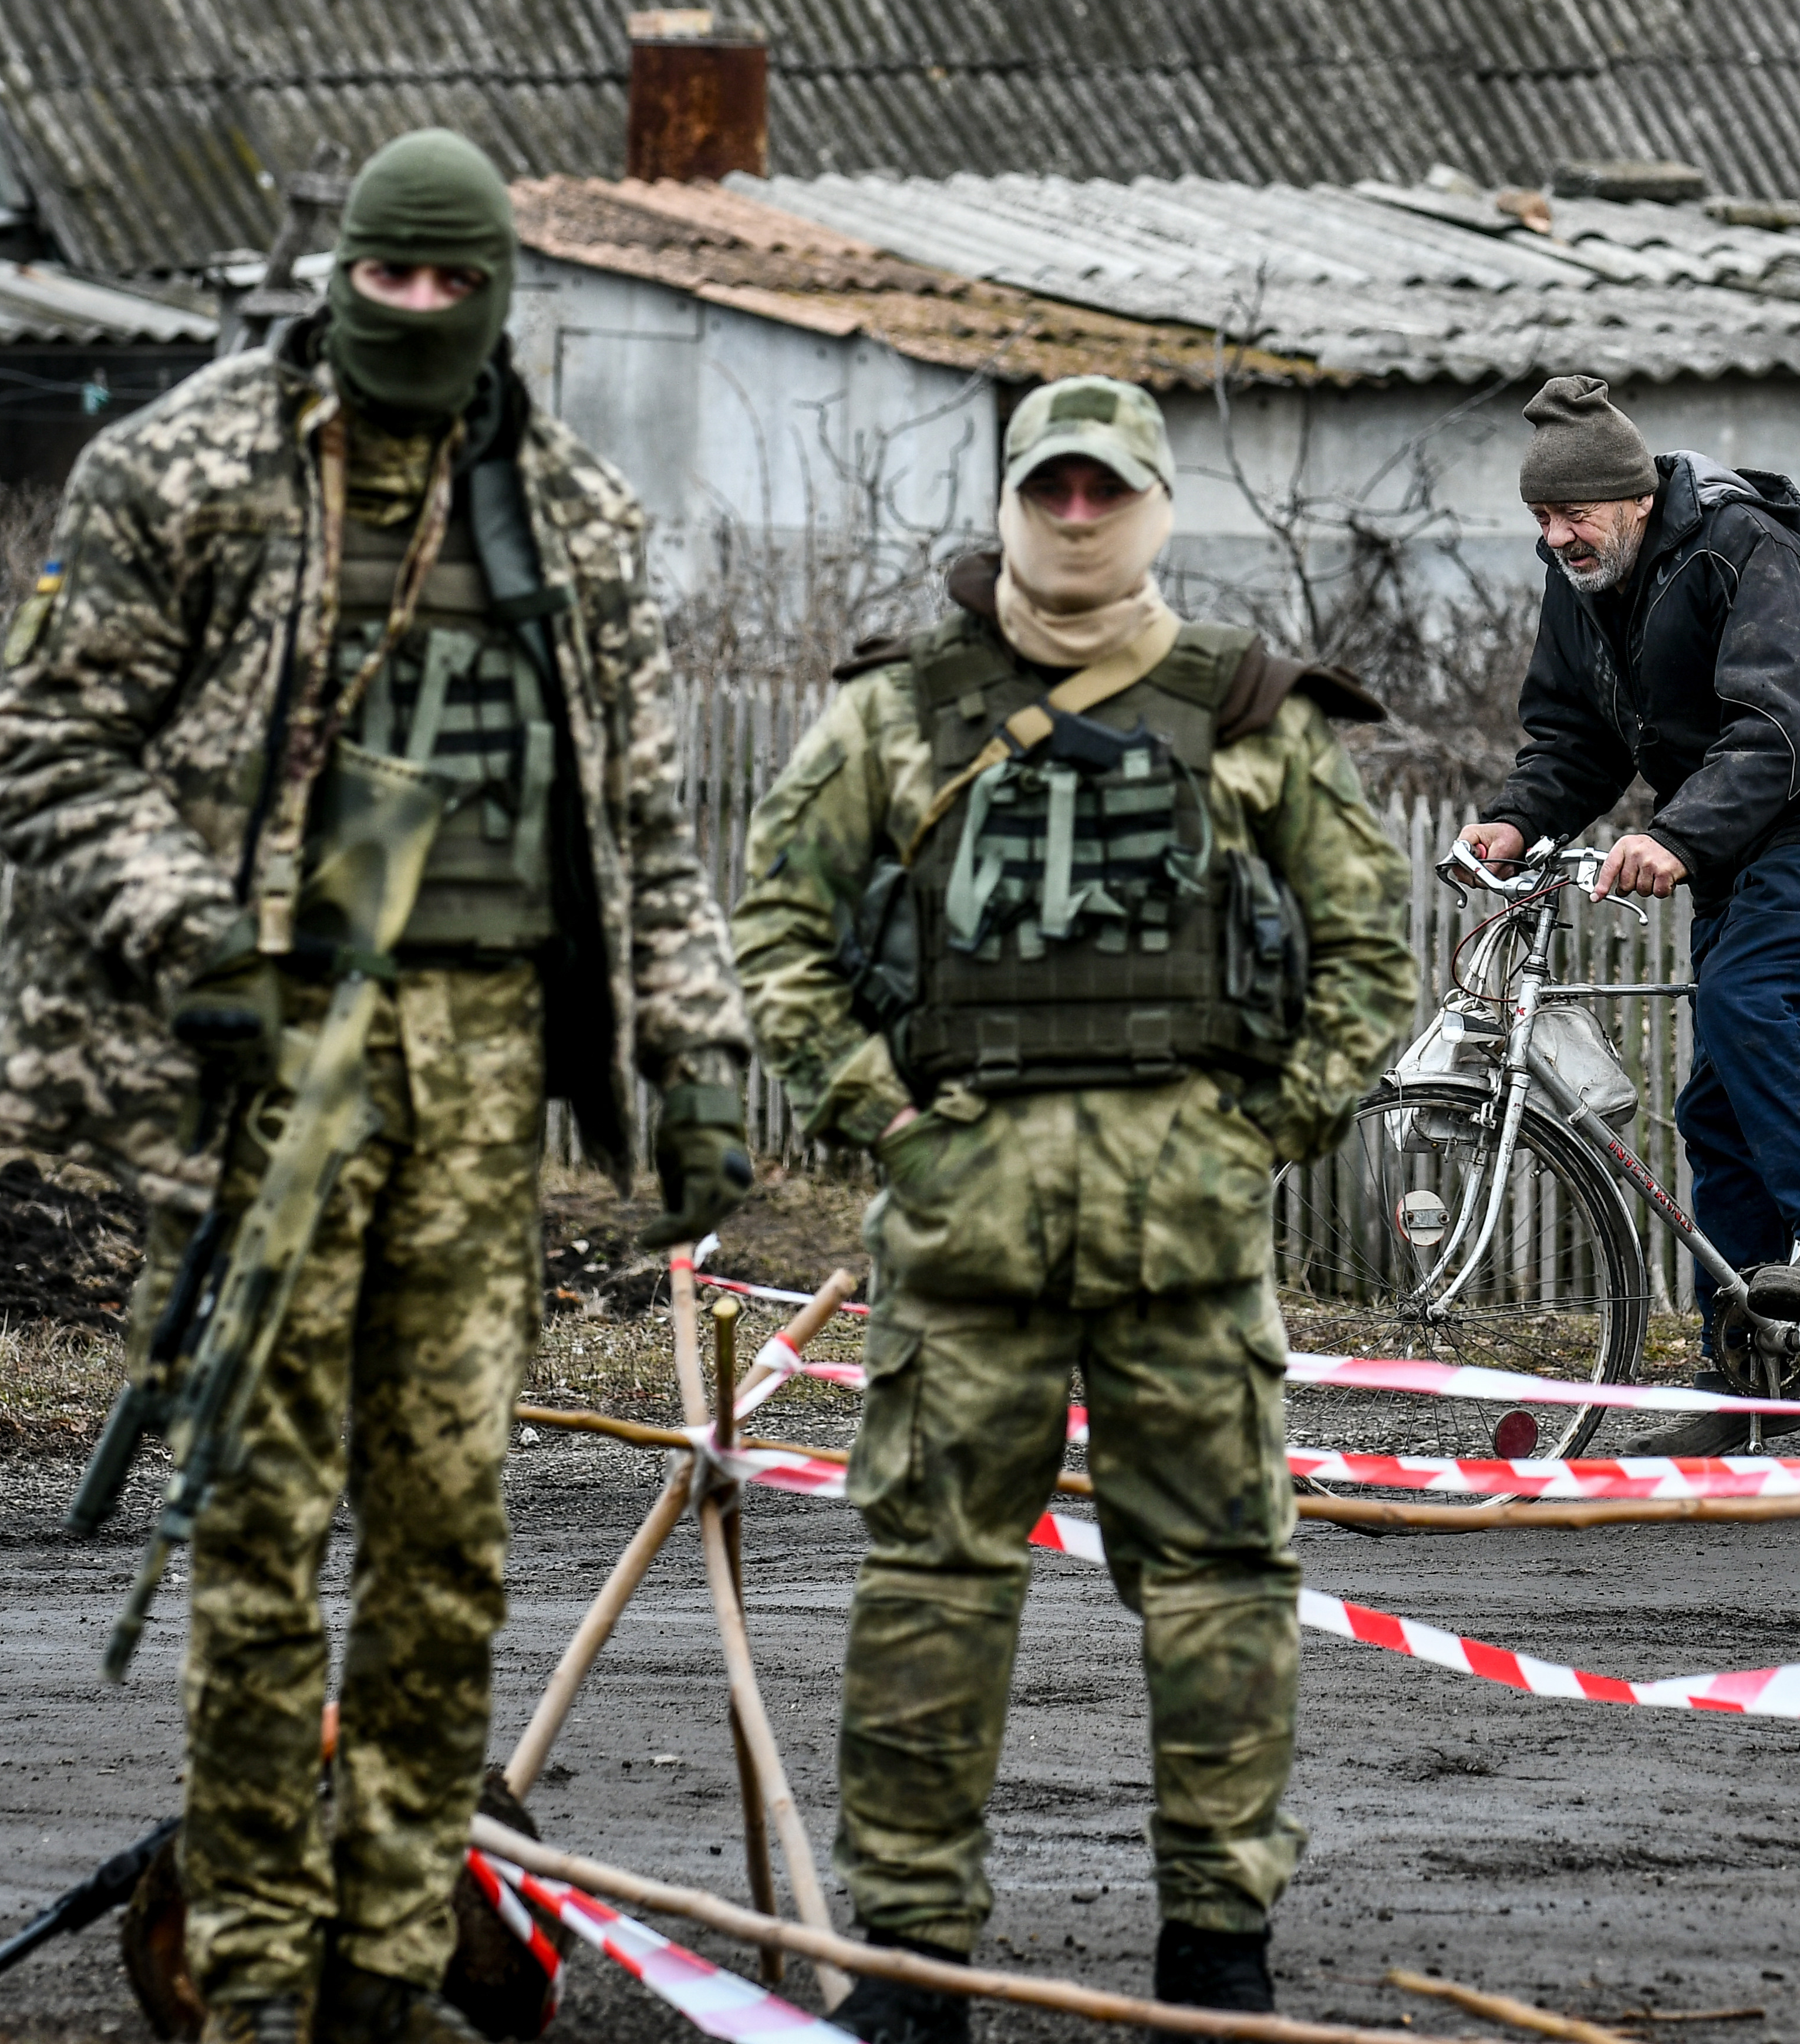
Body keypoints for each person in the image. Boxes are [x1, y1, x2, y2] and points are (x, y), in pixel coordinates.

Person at [0, 131, 754, 2044]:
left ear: (498, 291)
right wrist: (195, 944)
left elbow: (645, 830)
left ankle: (393, 1962)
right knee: (254, 1523)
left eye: (448, 284)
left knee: (447, 1540)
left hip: (483, 1062)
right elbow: (46, 744)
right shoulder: (179, 468)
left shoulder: (571, 516)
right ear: (338, 275)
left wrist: (697, 1051)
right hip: (277, 1059)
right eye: (383, 280)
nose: (414, 312)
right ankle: (250, 1973)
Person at [732, 375, 1415, 2043]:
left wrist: (1263, 1131)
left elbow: (1373, 955)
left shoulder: (1249, 709)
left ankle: (1217, 1944)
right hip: (968, 1242)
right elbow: (778, 926)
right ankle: (910, 1959)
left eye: (1110, 488)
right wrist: (886, 1118)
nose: (1081, 514)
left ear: (1155, 501)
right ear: (1015, 500)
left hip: (1184, 1246)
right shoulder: (901, 715)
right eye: (1054, 485)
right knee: (931, 1592)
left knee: (1223, 1590)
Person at [1455, 375, 1800, 1448]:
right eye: (1539, 517)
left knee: (1743, 995)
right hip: (1744, 839)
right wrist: (1515, 822)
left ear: (1629, 498)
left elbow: (1777, 724)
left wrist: (1674, 835)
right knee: (1714, 1106)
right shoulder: (1579, 584)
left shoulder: (1742, 551)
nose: (1556, 536)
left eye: (1572, 514)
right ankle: (1751, 1388)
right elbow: (1574, 737)